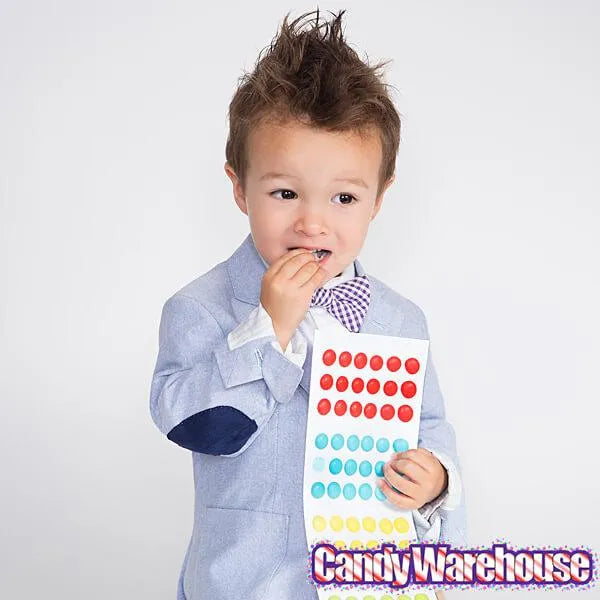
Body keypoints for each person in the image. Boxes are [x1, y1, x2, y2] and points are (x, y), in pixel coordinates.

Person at [149, 9, 466, 600]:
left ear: (378, 199)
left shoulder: (402, 320)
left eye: (344, 197)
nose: (312, 222)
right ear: (240, 188)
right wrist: (267, 328)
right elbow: (198, 427)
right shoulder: (198, 308)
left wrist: (436, 479)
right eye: (285, 192)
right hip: (249, 583)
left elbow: (430, 426)